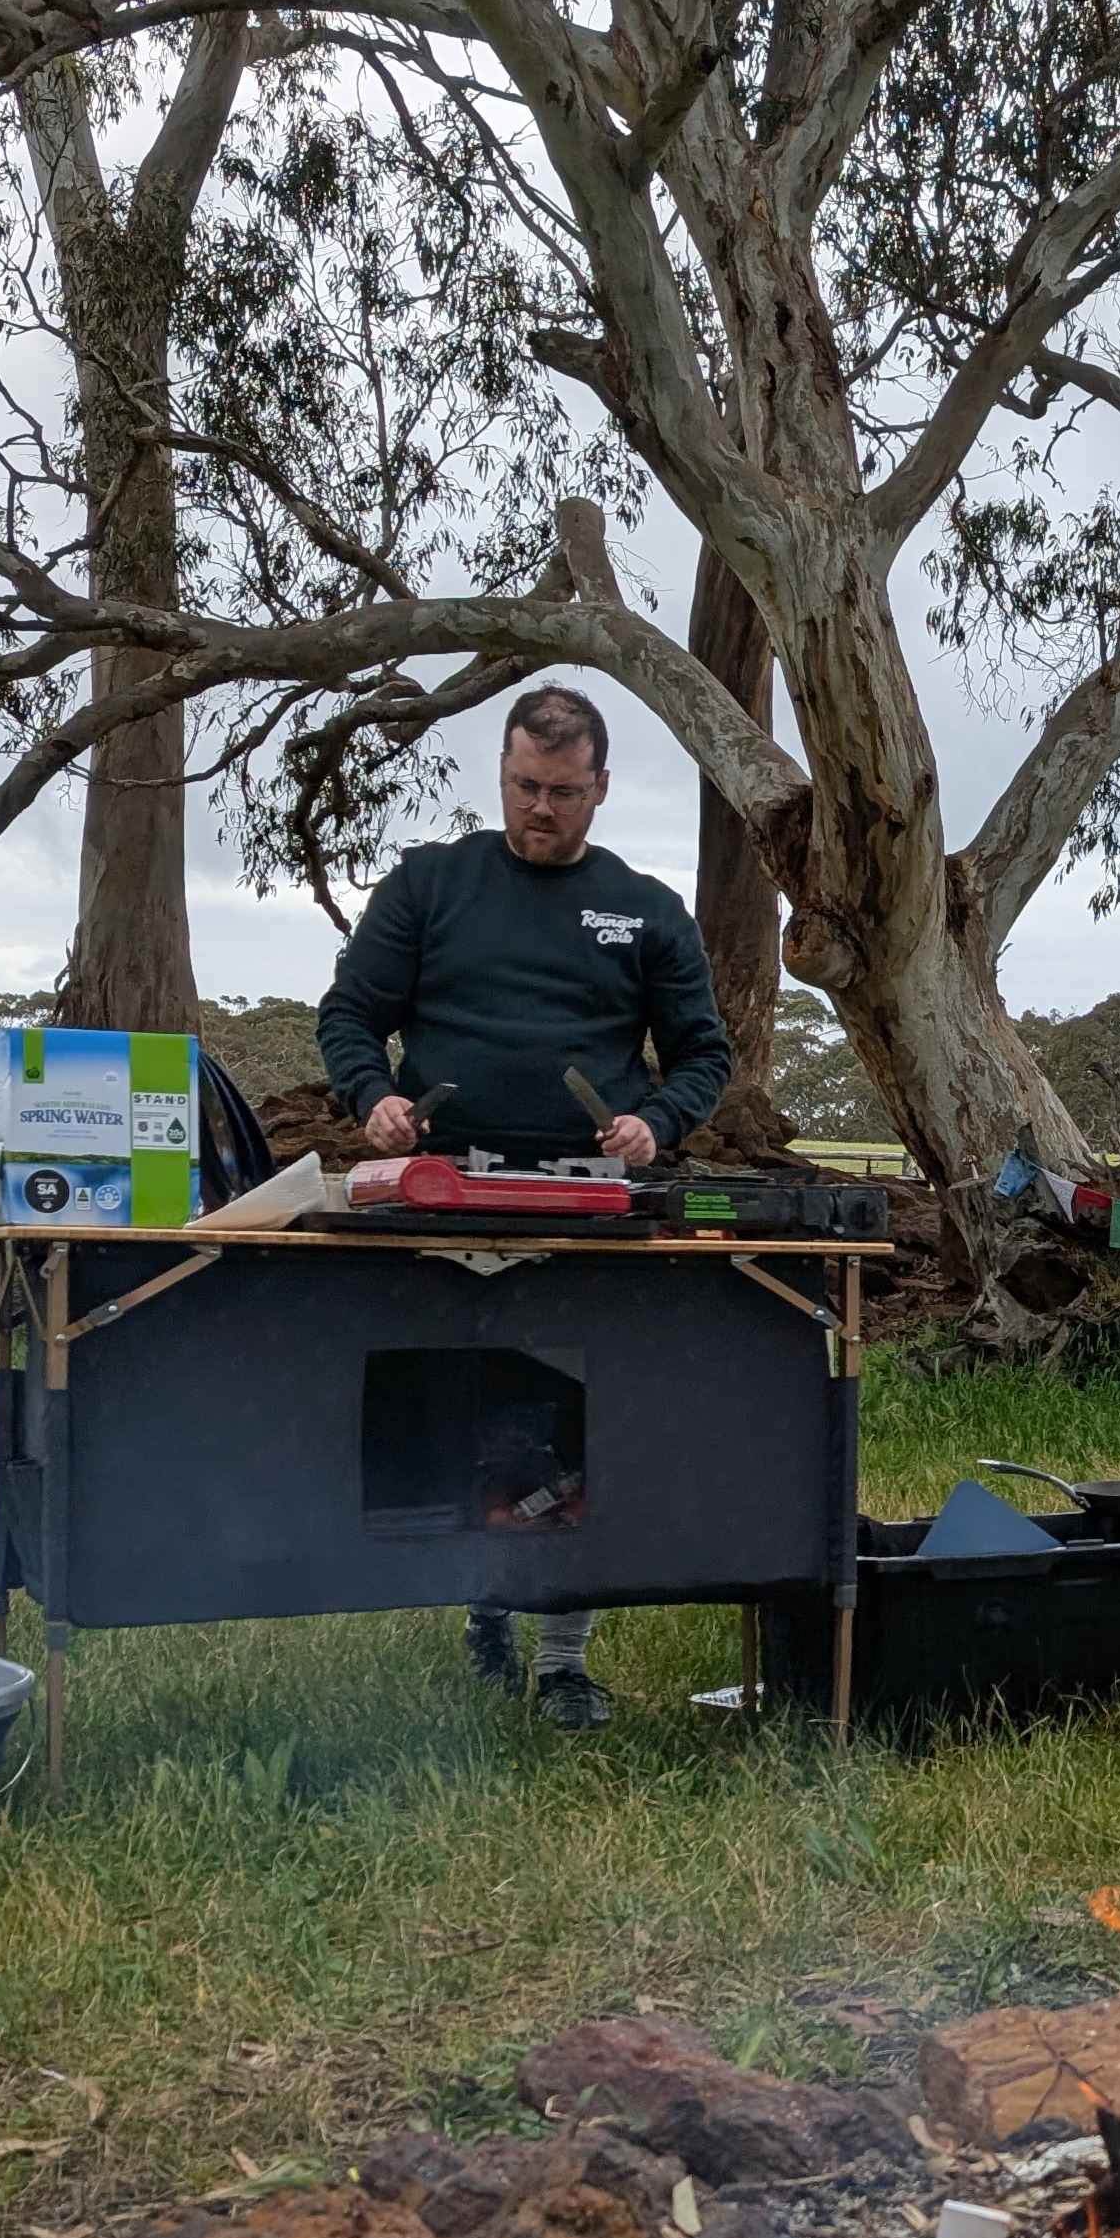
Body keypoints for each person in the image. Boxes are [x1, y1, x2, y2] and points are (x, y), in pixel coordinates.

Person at [317, 683, 731, 1729]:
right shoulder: (428, 884)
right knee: (452, 1410)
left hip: (587, 1204)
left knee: (577, 1417)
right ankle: (480, 1604)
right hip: (442, 1189)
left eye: (562, 791)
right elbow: (350, 1014)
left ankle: (563, 1660)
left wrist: (657, 1124)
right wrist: (378, 1099)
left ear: (600, 788)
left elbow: (702, 1057)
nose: (540, 809)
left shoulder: (644, 908)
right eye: (523, 786)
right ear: (502, 775)